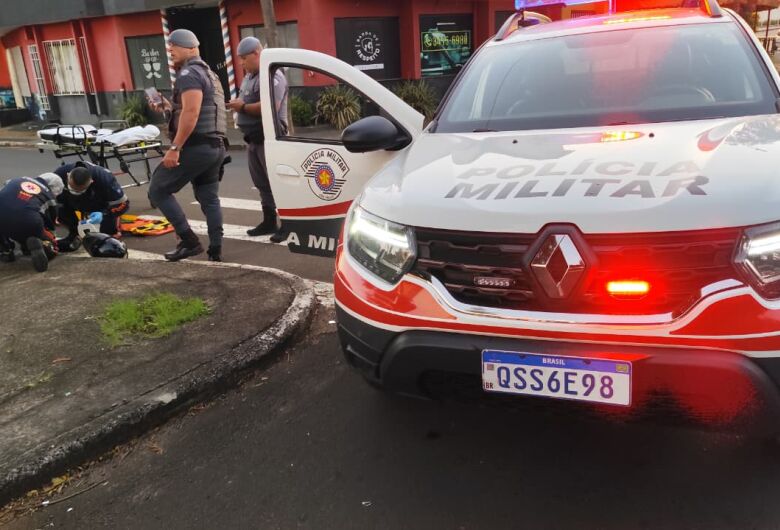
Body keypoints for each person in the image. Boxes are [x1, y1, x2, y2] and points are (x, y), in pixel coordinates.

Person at [147, 28, 227, 262]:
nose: (170, 49)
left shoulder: (188, 74)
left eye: (175, 45)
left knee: (158, 190)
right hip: (216, 147)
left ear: (191, 48)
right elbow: (193, 110)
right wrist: (167, 107)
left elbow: (191, 113)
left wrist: (175, 148)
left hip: (196, 147)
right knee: (209, 198)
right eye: (169, 45)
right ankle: (216, 249)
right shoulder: (210, 74)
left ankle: (189, 241)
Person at [227, 36, 289, 243]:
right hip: (254, 139)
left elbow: (270, 107)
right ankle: (269, 221)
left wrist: (242, 107)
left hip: (270, 139)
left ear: (256, 53)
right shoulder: (250, 77)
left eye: (244, 58)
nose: (241, 63)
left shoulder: (273, 75)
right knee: (262, 184)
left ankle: (288, 224)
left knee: (278, 184)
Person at [53, 161, 129, 252]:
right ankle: (74, 233)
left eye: (79, 191)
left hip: (98, 204)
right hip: (69, 202)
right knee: (57, 207)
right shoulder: (58, 175)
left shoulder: (105, 178)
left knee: (107, 235)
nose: (76, 192)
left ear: (91, 182)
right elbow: (46, 199)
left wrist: (104, 214)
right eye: (72, 189)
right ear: (68, 175)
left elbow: (124, 204)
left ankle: (105, 232)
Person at [0, 173, 64, 272]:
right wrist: (49, 237)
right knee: (45, 235)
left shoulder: (16, 179)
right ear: (54, 189)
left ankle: (6, 251)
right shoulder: (50, 196)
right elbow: (50, 224)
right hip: (28, 222)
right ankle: (42, 247)